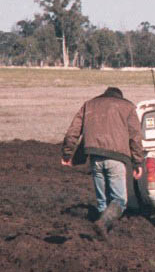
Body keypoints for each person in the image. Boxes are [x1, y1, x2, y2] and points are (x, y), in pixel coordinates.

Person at [61, 87, 144, 238]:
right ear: (120, 96)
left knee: (102, 201)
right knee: (119, 200)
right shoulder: (128, 107)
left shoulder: (89, 105)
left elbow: (73, 132)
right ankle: (102, 225)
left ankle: (102, 235)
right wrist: (138, 163)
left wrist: (68, 155)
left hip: (95, 158)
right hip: (117, 158)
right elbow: (135, 137)